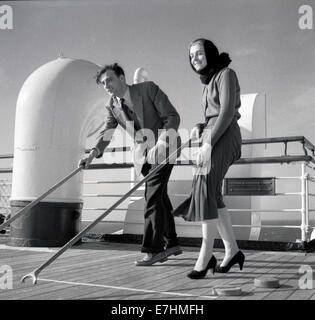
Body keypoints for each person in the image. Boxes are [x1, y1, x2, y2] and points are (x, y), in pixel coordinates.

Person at [79, 63, 182, 266]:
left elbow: (172, 116)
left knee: (152, 196)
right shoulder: (112, 105)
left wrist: (162, 142)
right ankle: (172, 244)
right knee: (159, 197)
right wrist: (94, 153)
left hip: (165, 146)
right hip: (144, 155)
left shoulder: (148, 89)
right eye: (102, 83)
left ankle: (153, 250)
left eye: (109, 80)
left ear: (122, 77)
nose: (106, 85)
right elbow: (107, 132)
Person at [173, 38, 245, 278]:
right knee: (212, 192)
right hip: (211, 134)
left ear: (210, 53)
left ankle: (206, 253)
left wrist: (208, 142)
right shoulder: (206, 83)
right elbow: (211, 116)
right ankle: (232, 250)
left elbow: (225, 112)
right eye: (191, 55)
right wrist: (199, 126)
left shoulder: (226, 74)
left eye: (199, 53)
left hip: (224, 135)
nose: (194, 58)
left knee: (204, 187)